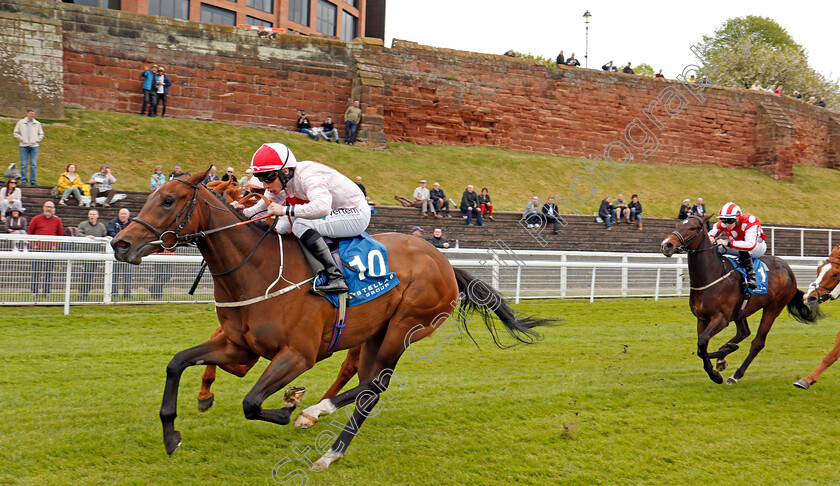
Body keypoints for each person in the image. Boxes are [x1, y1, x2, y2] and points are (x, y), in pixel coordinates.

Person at [236, 143, 369, 294]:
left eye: (268, 178)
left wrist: (284, 209)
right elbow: (258, 211)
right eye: (261, 179)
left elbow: (322, 207)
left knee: (300, 224)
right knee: (280, 227)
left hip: (355, 213)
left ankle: (336, 277)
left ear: (285, 171)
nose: (265, 185)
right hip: (333, 211)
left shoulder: (308, 176)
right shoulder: (281, 181)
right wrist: (236, 211)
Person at [708, 202, 767, 289]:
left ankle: (751, 277)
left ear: (737, 218)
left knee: (742, 248)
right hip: (738, 243)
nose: (726, 224)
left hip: (756, 247)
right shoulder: (724, 223)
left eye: (730, 221)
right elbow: (710, 235)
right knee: (718, 247)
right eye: (723, 220)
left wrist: (728, 243)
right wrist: (710, 239)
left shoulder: (750, 221)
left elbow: (750, 245)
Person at [27, 201, 63, 296]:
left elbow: (60, 234)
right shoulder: (36, 219)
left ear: (53, 209)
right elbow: (30, 233)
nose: (49, 209)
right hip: (37, 249)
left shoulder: (57, 220)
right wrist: (33, 244)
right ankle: (34, 292)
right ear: (43, 207)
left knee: (49, 272)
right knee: (36, 271)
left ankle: (46, 292)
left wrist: (56, 245)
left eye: (51, 207)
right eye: (47, 207)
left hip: (51, 250)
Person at [77, 208, 107, 299]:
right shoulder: (83, 224)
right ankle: (82, 292)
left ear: (97, 216)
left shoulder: (101, 226)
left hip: (96, 253)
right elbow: (78, 234)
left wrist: (107, 237)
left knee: (91, 273)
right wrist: (87, 237)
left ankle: (86, 292)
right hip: (85, 252)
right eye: (90, 214)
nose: (92, 216)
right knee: (85, 272)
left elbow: (104, 235)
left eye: (94, 214)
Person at [13, 109, 44, 185]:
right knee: (24, 164)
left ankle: (33, 181)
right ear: (27, 114)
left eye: (33, 114)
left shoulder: (37, 123)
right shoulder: (21, 122)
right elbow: (16, 132)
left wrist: (36, 140)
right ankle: (24, 180)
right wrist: (22, 139)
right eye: (31, 114)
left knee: (33, 164)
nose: (32, 115)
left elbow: (41, 134)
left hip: (34, 146)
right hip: (23, 146)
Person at [108, 208, 133, 299]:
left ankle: (127, 293)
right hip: (116, 252)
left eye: (125, 214)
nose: (123, 215)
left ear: (128, 215)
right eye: (121, 214)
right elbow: (111, 232)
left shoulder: (132, 224)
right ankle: (114, 292)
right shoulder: (113, 223)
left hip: (128, 252)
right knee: (115, 273)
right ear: (118, 214)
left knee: (128, 273)